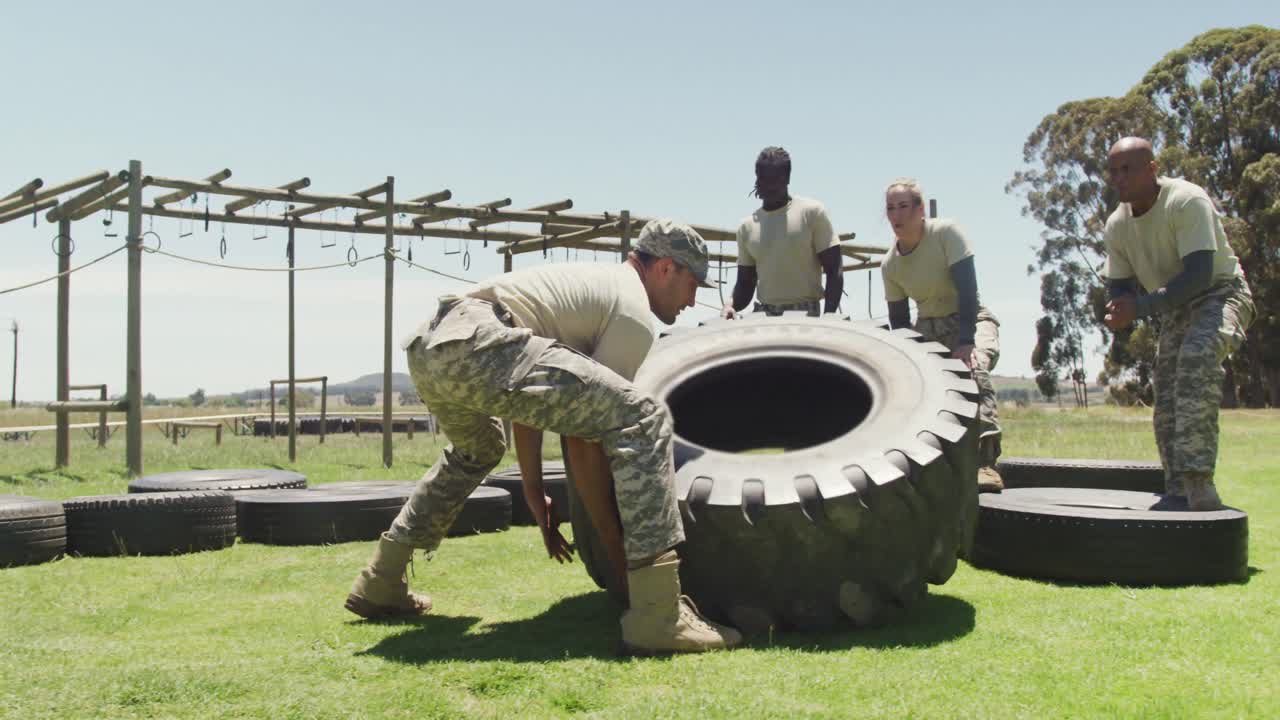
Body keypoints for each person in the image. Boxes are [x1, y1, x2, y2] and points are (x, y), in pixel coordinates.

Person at [345, 219, 742, 654]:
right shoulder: (632, 313)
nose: (693, 300)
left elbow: (534, 397)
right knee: (643, 416)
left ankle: (382, 579)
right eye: (693, 284)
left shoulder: (602, 285)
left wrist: (533, 490)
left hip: (433, 345)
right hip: (481, 340)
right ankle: (657, 614)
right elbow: (585, 436)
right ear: (666, 268)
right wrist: (618, 556)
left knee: (479, 449)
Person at [1102, 137, 1254, 511]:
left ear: (1153, 169)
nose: (1119, 179)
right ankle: (1177, 490)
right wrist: (1119, 309)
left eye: (1129, 169)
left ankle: (1199, 483)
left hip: (1220, 293)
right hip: (1174, 309)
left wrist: (1140, 308)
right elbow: (1119, 283)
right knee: (1167, 393)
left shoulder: (1186, 200)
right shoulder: (1117, 225)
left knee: (1196, 358)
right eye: (1113, 171)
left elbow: (1199, 275)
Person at [880, 178, 1004, 493]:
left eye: (904, 207)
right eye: (891, 208)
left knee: (973, 370)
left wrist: (965, 341)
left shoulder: (946, 234)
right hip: (928, 327)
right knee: (917, 388)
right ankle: (920, 466)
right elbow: (900, 323)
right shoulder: (890, 265)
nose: (897, 215)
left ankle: (986, 464)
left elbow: (968, 292)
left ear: (921, 210)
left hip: (970, 318)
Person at [721, 146, 844, 318]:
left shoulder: (811, 213)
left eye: (774, 179)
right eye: (763, 178)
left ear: (787, 179)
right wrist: (730, 305)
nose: (767, 185)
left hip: (806, 317)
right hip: (763, 317)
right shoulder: (747, 227)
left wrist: (829, 317)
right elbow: (745, 283)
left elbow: (834, 269)